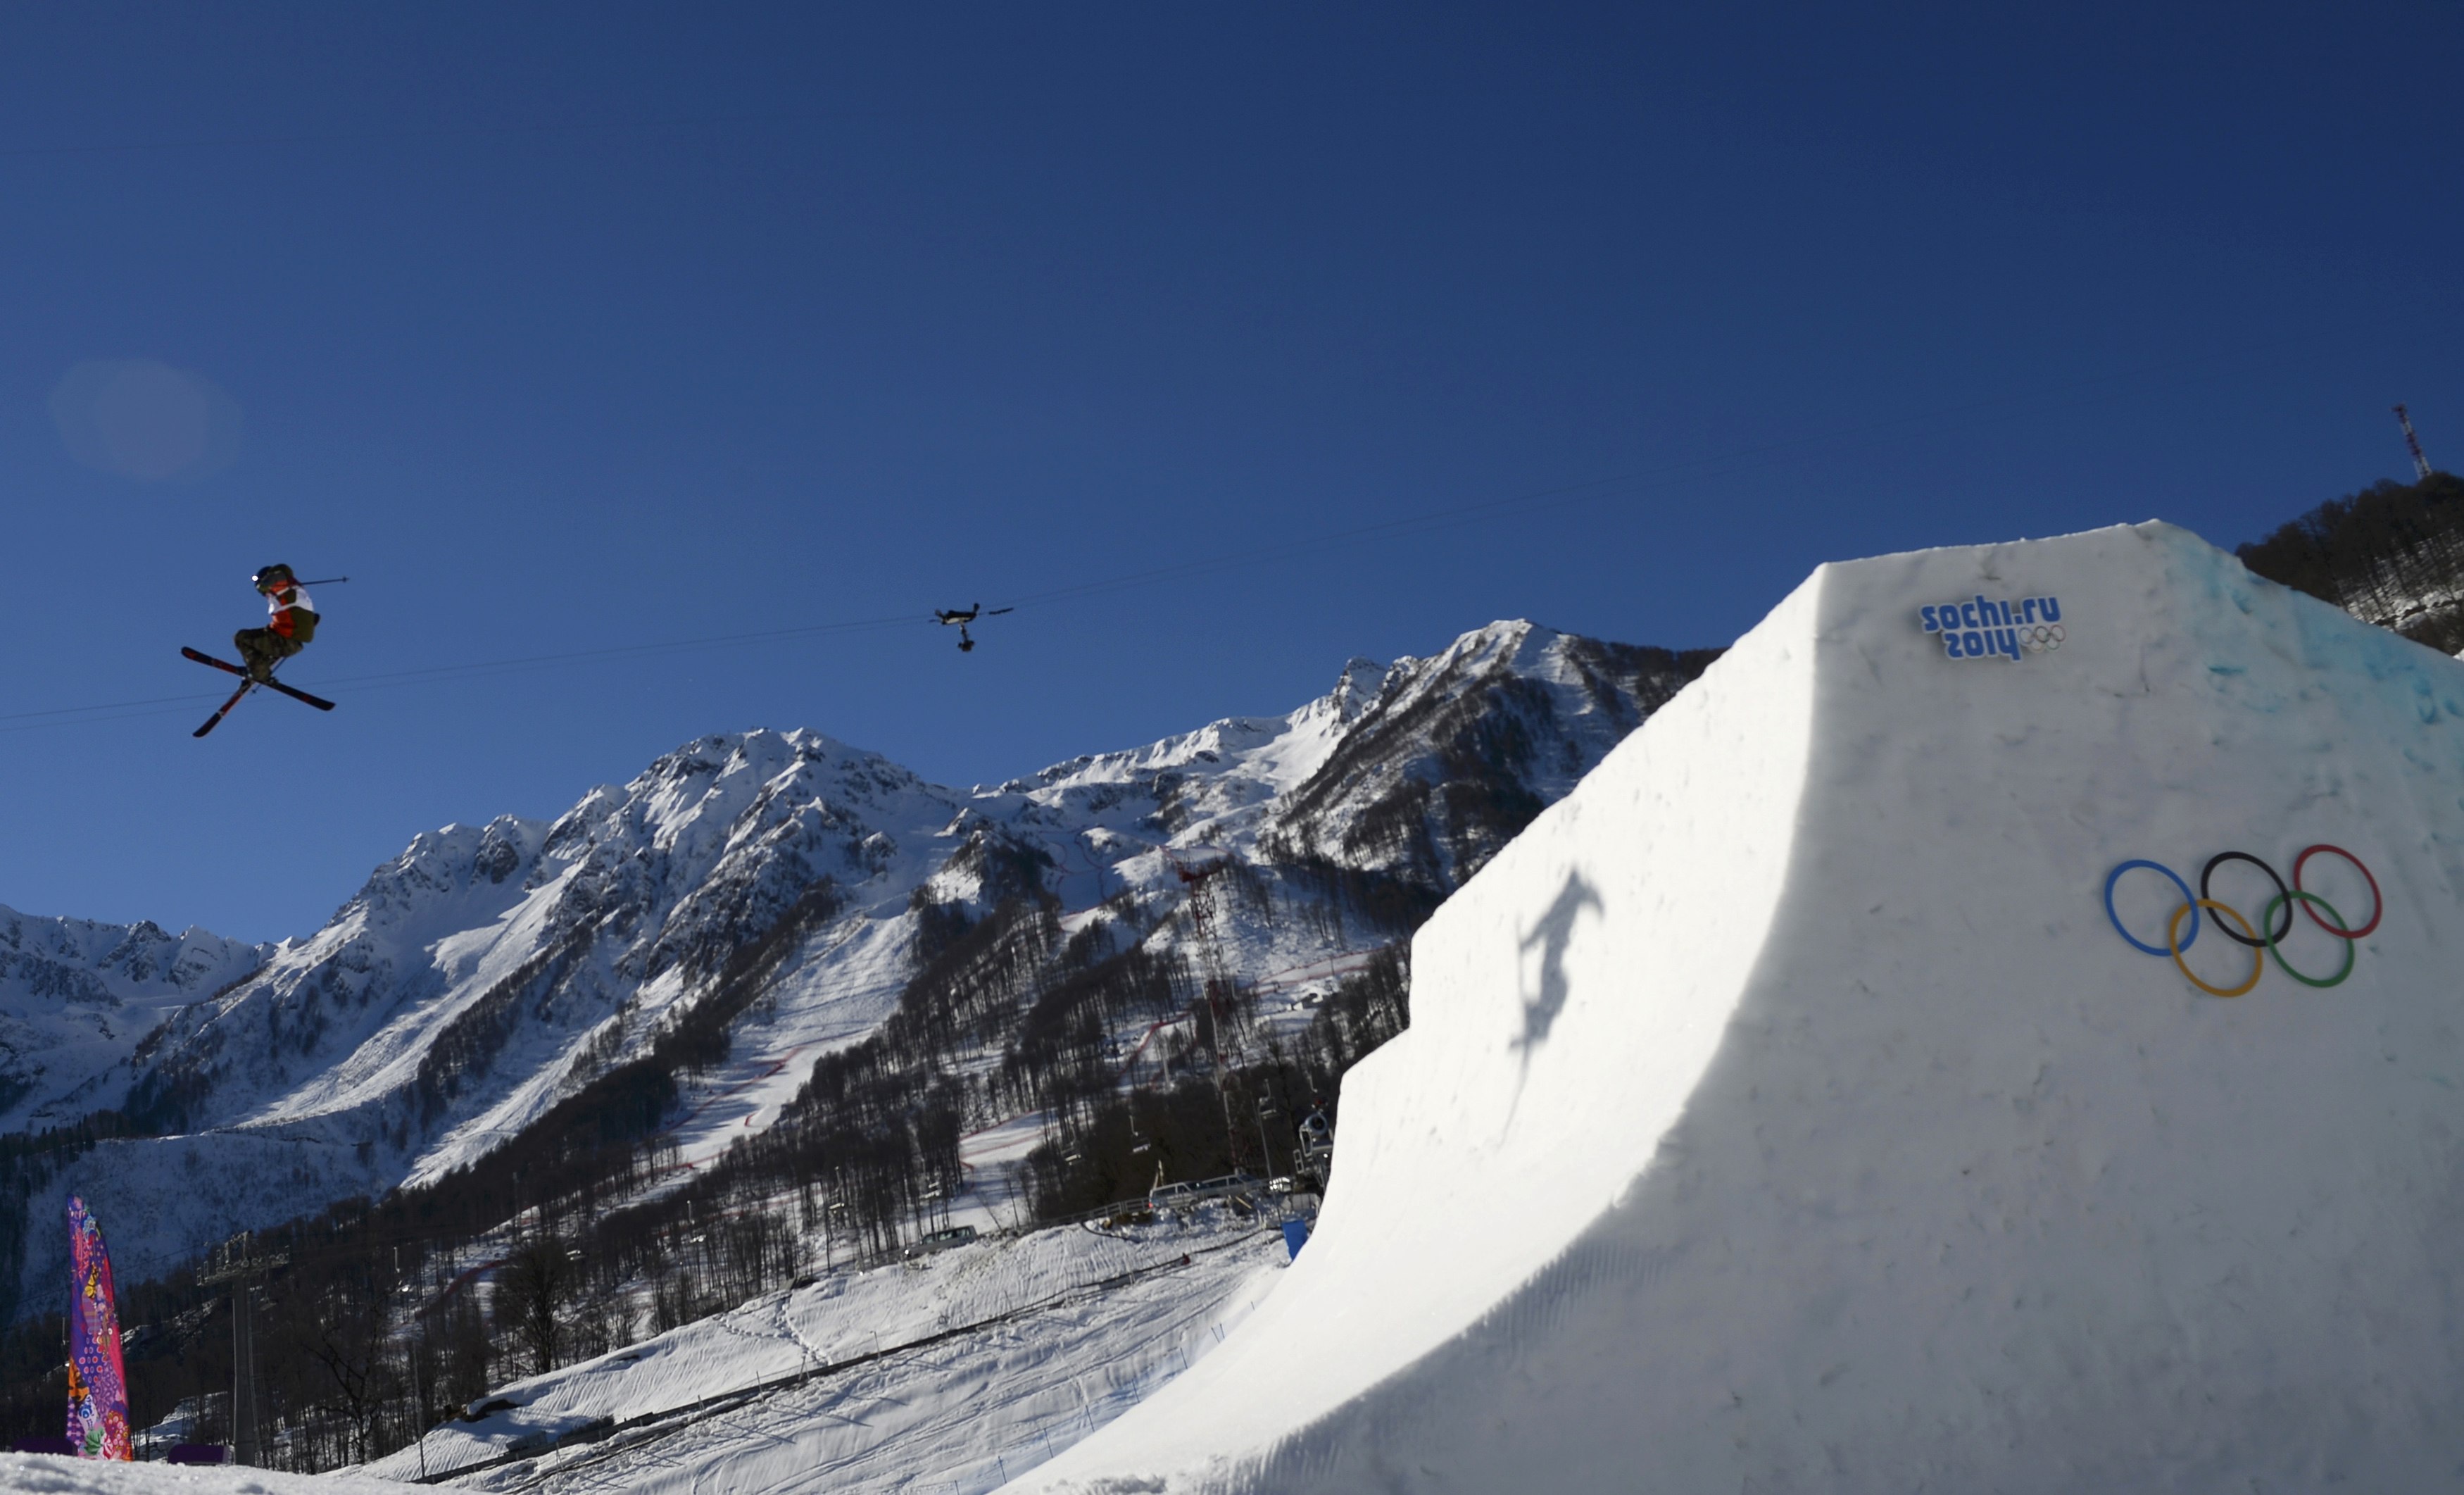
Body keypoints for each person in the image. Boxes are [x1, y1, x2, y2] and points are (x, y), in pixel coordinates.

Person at [234, 564, 318, 682]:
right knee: (260, 637)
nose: (265, 595)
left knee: (241, 638)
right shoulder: (296, 593)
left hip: (285, 642)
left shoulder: (280, 582)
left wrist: (262, 586)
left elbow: (274, 579)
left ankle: (260, 673)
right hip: (292, 642)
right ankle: (262, 663)